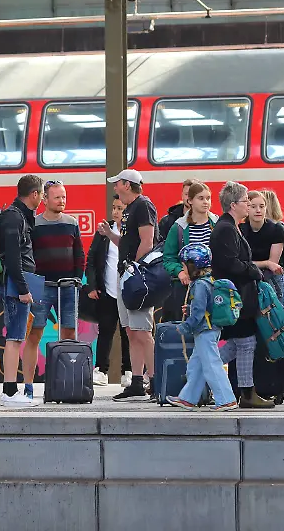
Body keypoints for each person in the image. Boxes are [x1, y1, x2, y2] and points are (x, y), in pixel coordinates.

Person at [211, 181, 273, 409]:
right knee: (245, 342)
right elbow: (229, 262)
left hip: (239, 295)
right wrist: (253, 270)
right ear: (233, 204)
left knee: (239, 344)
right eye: (246, 201)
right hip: (236, 297)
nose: (248, 204)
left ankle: (199, 375)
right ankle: (247, 393)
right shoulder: (226, 229)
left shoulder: (231, 226)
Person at [103, 169, 158, 402]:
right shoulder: (130, 209)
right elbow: (127, 242)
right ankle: (137, 382)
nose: (115, 187)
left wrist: (134, 269)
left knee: (142, 332)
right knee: (131, 330)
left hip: (134, 278)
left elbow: (147, 241)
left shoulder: (143, 205)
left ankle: (155, 382)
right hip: (126, 276)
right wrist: (110, 234)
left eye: (117, 183)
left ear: (127, 184)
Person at [165, 243, 239, 412]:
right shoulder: (208, 281)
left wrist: (186, 326)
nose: (183, 269)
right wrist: (191, 309)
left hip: (205, 331)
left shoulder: (199, 285)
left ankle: (226, 400)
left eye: (184, 265)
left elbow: (199, 312)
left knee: (212, 365)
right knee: (196, 366)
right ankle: (188, 398)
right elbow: (206, 306)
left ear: (193, 265)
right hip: (210, 329)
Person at [0, 174, 43, 408]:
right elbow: (13, 257)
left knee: (15, 337)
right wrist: (23, 289)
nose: (42, 199)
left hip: (17, 283)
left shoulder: (19, 216)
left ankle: (10, 391)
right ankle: (10, 392)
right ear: (34, 194)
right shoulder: (14, 217)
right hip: (15, 284)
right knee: (15, 338)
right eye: (41, 194)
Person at [241, 189, 284, 405]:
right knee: (249, 337)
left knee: (274, 332)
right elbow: (242, 262)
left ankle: (277, 388)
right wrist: (263, 264)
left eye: (261, 206)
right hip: (248, 285)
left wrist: (259, 264)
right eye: (253, 206)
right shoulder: (241, 229)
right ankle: (251, 387)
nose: (258, 210)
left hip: (271, 286)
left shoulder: (276, 229)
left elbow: (273, 264)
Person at [28, 180, 84, 349]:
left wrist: (77, 279)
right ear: (45, 199)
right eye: (57, 197)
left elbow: (79, 254)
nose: (62, 201)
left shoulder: (72, 223)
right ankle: (29, 369)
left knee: (70, 334)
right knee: (34, 333)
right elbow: (28, 255)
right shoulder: (33, 224)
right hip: (41, 287)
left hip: (68, 287)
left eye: (63, 197)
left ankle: (66, 366)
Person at [87, 195, 131, 387]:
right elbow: (91, 259)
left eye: (120, 208)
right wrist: (92, 285)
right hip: (108, 292)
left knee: (127, 332)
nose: (115, 212)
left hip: (128, 292)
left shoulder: (132, 232)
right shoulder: (104, 231)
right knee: (105, 331)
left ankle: (128, 372)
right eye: (114, 208)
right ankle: (101, 370)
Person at [162, 181, 216, 297]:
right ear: (190, 200)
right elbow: (168, 258)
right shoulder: (179, 227)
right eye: (201, 198)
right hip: (187, 287)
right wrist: (180, 271)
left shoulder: (217, 224)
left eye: (208, 198)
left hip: (214, 284)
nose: (206, 202)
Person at [157, 178, 197, 245]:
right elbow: (160, 247)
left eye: (193, 194)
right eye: (186, 194)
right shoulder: (166, 222)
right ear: (182, 195)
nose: (189, 198)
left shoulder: (210, 221)